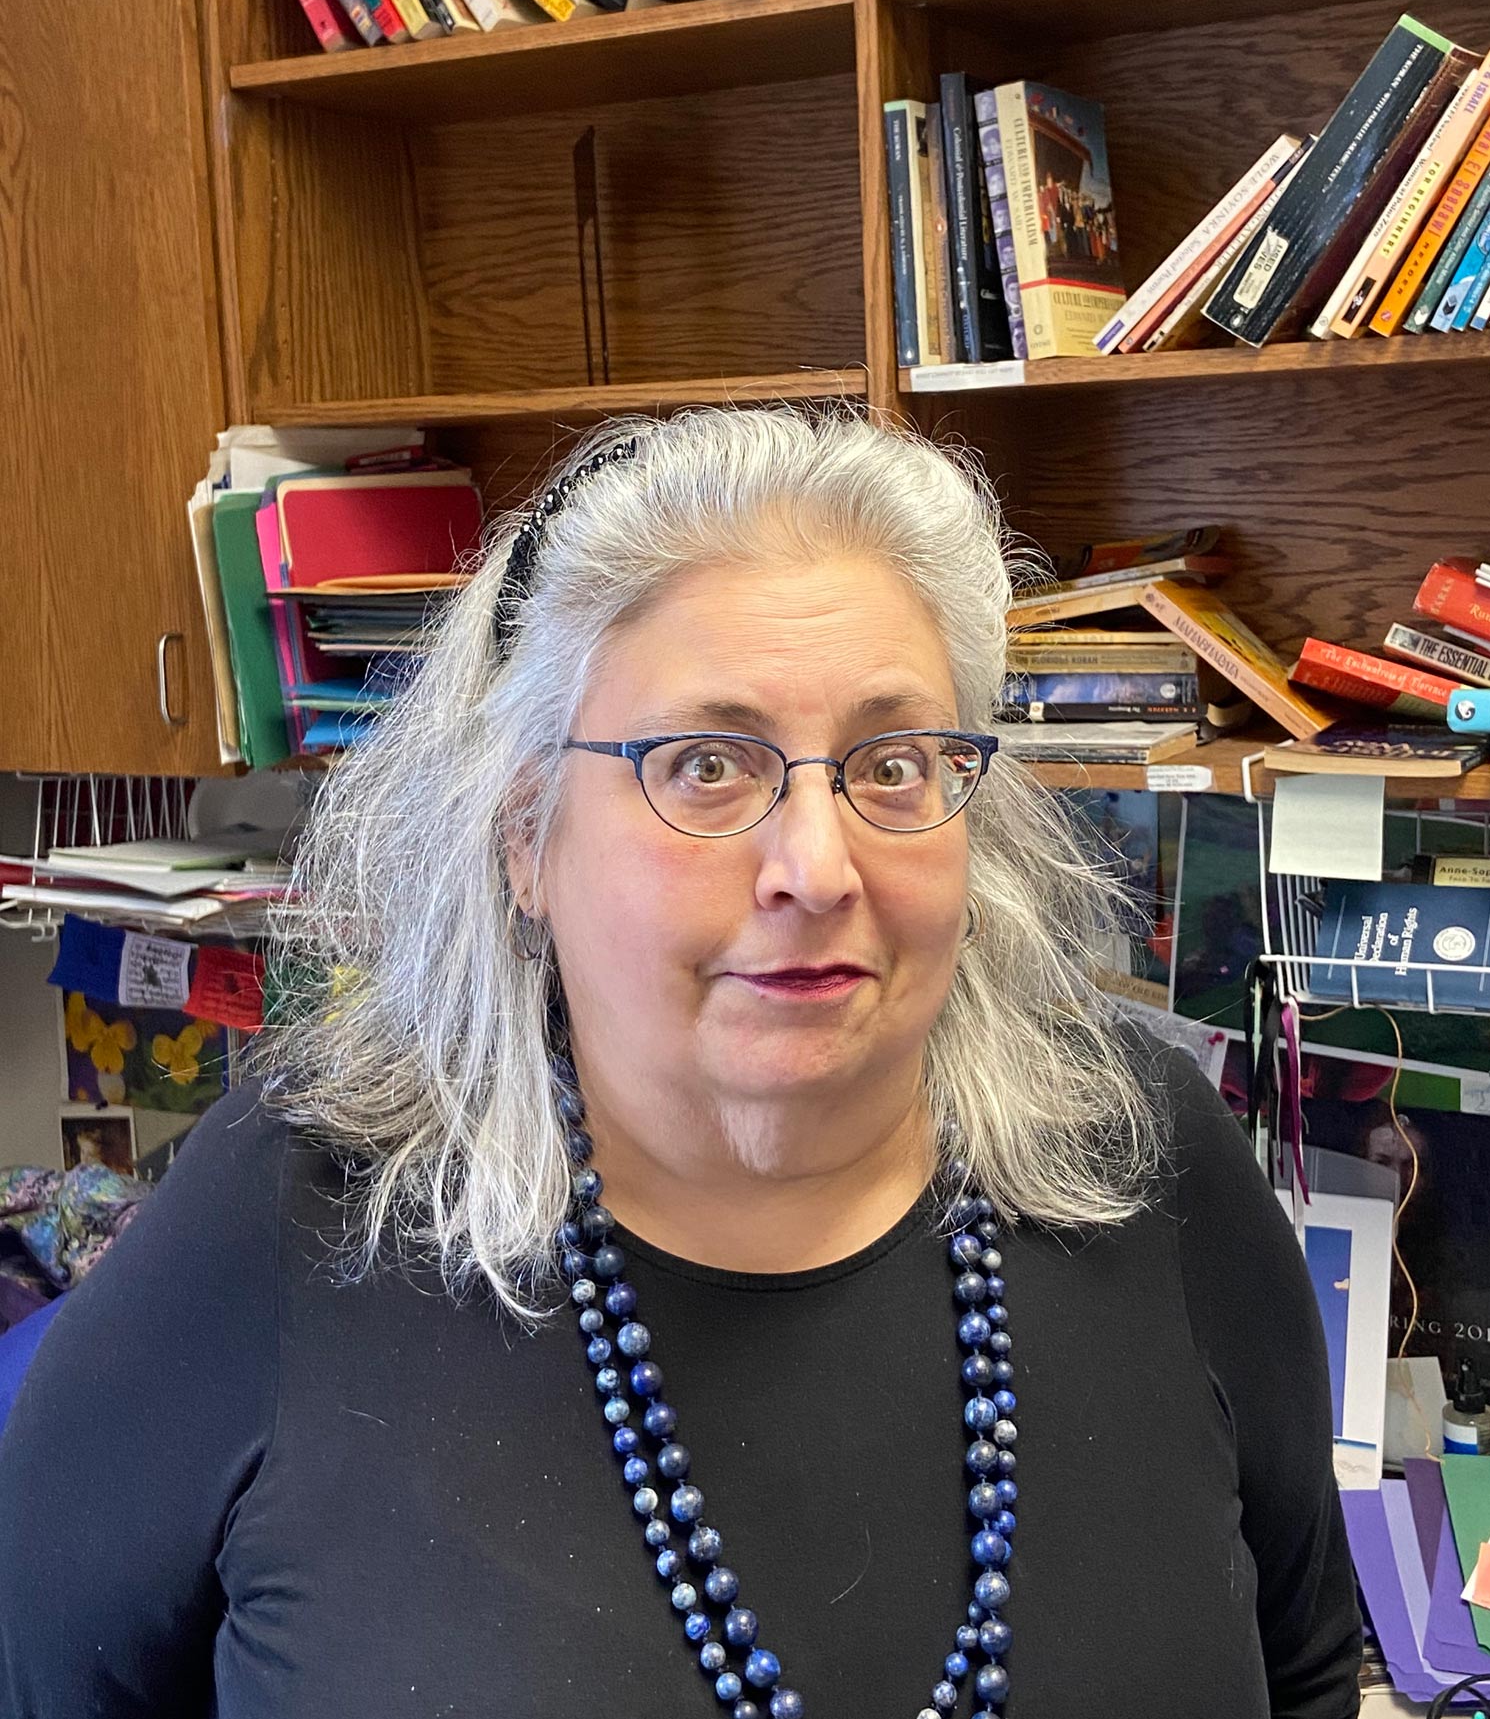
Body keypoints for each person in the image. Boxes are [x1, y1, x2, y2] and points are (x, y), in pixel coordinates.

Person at [0, 405, 1361, 1717]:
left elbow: (1301, 1671)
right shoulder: (294, 1218)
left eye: (889, 762)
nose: (817, 866)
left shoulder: (1146, 1157)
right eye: (705, 765)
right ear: (525, 833)